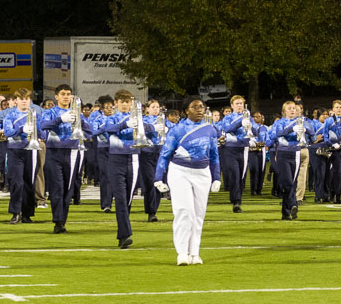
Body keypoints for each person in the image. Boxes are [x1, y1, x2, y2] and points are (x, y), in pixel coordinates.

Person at [154, 98, 222, 265]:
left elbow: (214, 155)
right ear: (186, 111)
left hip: (202, 173)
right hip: (180, 171)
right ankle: (182, 253)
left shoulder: (210, 129)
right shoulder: (177, 129)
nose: (199, 109)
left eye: (201, 107)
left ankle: (195, 253)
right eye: (195, 107)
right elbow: (165, 153)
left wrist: (217, 177)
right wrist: (158, 177)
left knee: (199, 214)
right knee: (184, 211)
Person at [98, 90, 157, 249]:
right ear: (116, 103)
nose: (125, 104)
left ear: (131, 103)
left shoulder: (138, 118)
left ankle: (122, 232)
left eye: (127, 102)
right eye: (121, 102)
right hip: (116, 159)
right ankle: (125, 234)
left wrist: (142, 124)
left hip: (134, 159)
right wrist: (124, 124)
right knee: (121, 199)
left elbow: (152, 130)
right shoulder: (110, 118)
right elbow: (104, 129)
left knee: (128, 199)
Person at [38, 85, 86, 233]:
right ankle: (58, 222)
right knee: (57, 188)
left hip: (72, 152)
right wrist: (60, 119)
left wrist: (81, 122)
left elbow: (89, 131)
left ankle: (62, 220)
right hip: (54, 152)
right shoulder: (50, 112)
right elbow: (43, 125)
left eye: (69, 94)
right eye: (63, 94)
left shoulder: (77, 113)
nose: (66, 97)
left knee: (67, 189)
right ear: (56, 97)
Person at [2, 89, 40, 226]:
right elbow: (7, 132)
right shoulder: (10, 115)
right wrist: (21, 130)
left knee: (30, 182)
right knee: (17, 183)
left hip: (32, 150)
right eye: (21, 98)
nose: (24, 101)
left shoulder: (35, 114)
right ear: (16, 100)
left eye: (27, 98)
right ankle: (15, 212)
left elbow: (41, 131)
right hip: (15, 150)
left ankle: (27, 213)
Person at [267, 100, 307, 220]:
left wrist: (306, 131)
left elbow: (313, 135)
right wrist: (291, 129)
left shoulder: (300, 122)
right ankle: (293, 204)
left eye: (294, 108)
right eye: (289, 108)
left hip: (296, 153)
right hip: (283, 154)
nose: (292, 110)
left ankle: (285, 213)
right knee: (288, 182)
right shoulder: (280, 122)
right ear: (284, 111)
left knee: (292, 184)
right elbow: (276, 135)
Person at [217, 95, 258, 213]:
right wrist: (240, 122)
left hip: (243, 149)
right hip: (230, 149)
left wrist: (249, 124)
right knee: (234, 175)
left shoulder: (248, 117)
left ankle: (238, 199)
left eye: (241, 103)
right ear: (232, 105)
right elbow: (227, 129)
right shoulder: (228, 117)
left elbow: (255, 132)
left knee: (241, 176)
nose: (239, 105)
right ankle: (236, 201)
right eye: (237, 103)